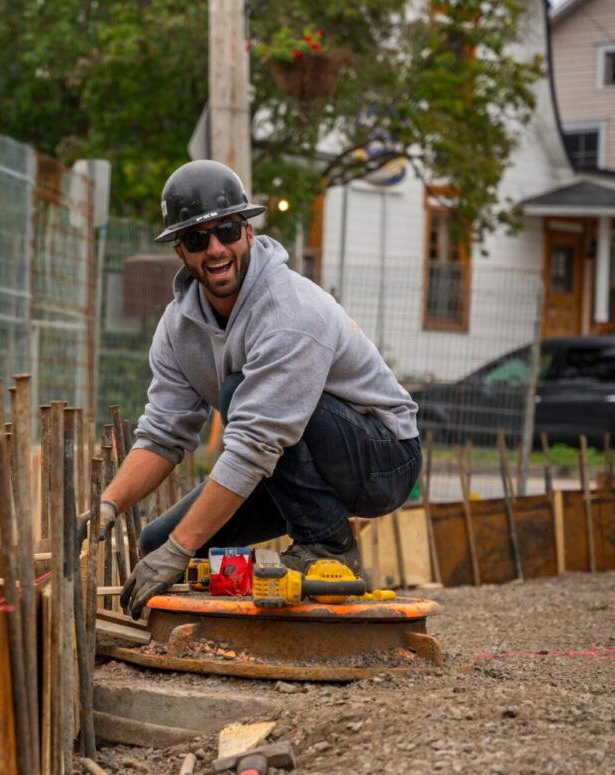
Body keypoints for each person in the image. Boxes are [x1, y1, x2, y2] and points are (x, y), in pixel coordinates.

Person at [98, 159, 422, 620]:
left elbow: (255, 442)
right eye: (196, 238)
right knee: (160, 545)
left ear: (248, 232)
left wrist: (180, 546)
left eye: (227, 230)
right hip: (289, 457)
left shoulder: (290, 311)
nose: (215, 249)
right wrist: (109, 504)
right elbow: (164, 435)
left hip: (384, 457)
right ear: (181, 252)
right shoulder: (177, 329)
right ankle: (210, 629)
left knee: (237, 395)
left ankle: (328, 545)